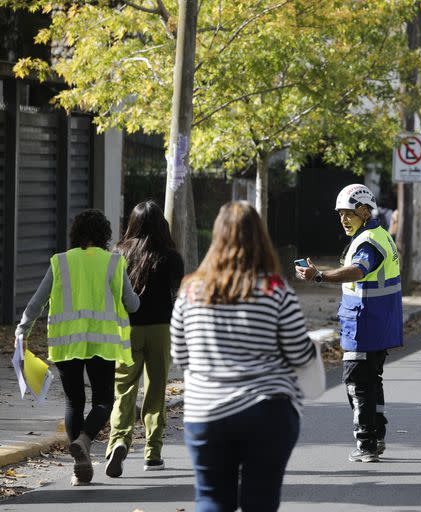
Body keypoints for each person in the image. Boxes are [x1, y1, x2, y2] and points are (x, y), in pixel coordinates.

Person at [171, 201, 315, 512]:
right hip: (267, 413)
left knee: (211, 500)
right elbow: (299, 352)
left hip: (206, 413)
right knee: (260, 502)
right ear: (260, 237)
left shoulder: (190, 290)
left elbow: (180, 356)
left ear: (216, 237)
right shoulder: (276, 290)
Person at [15, 209, 139, 486]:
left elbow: (37, 302)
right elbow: (132, 304)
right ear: (105, 236)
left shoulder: (60, 262)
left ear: (75, 234)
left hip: (66, 341)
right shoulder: (114, 263)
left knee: (74, 402)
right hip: (102, 342)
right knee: (104, 400)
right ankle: (84, 440)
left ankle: (79, 465)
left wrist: (22, 329)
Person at [295, 184, 403, 463]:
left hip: (364, 324)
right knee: (371, 380)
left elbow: (359, 269)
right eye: (340, 214)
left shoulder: (369, 242)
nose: (344, 219)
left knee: (357, 382)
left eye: (349, 214)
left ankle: (366, 442)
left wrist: (320, 276)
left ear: (365, 211)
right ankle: (376, 436)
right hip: (378, 323)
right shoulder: (379, 235)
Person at [105, 200, 184, 477]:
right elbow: (177, 297)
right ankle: (152, 452)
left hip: (127, 329)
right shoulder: (172, 257)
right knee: (156, 389)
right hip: (161, 329)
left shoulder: (118, 253)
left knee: (123, 389)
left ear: (133, 223)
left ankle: (119, 441)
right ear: (161, 225)